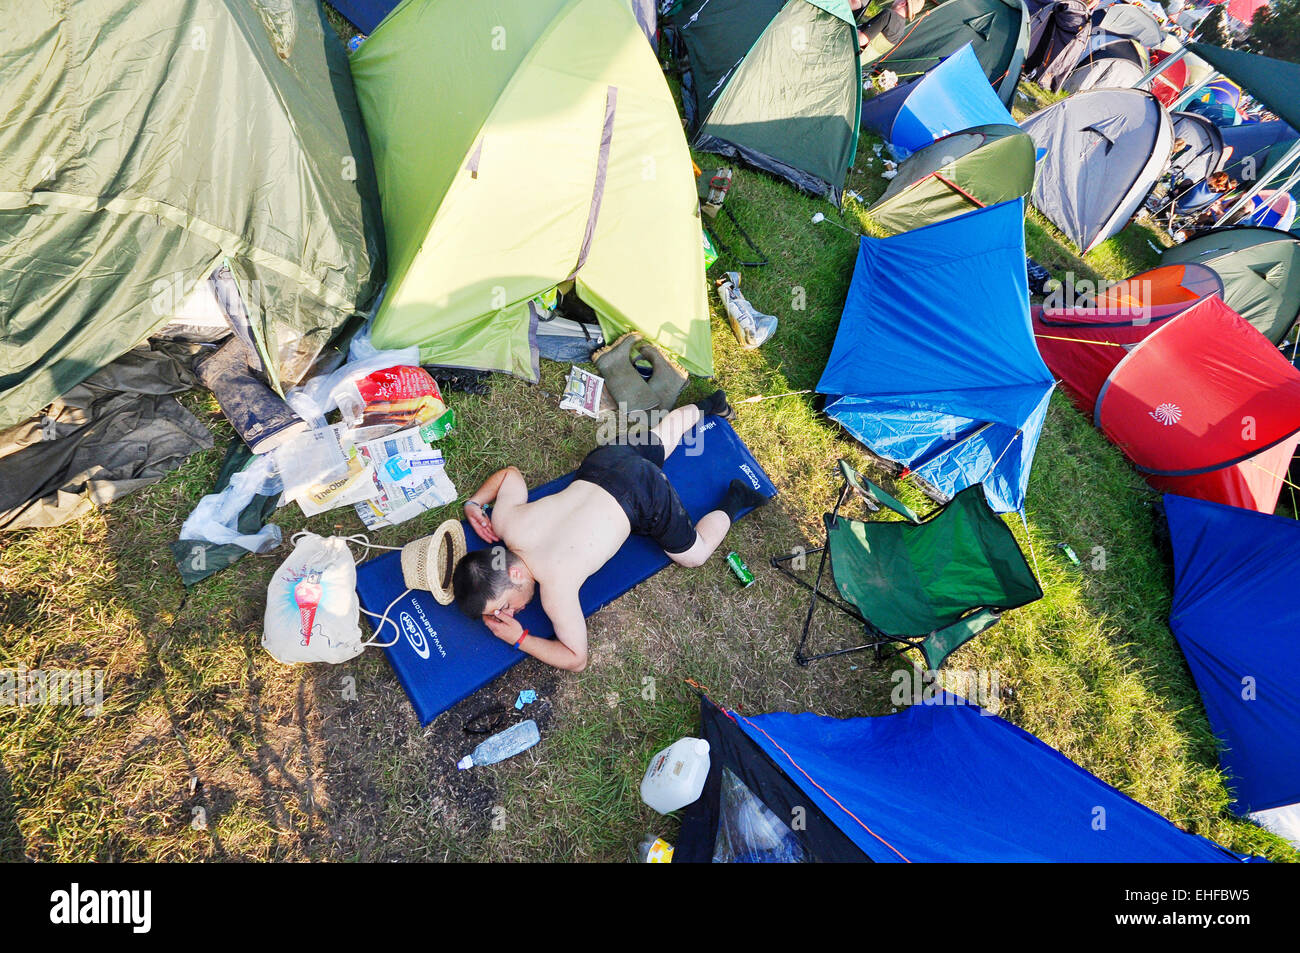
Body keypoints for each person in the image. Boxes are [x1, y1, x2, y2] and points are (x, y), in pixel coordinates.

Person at [451, 391, 769, 672]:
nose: (510, 614)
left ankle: (736, 496)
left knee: (695, 555)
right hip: (604, 463)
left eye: (502, 607)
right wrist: (475, 503)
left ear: (516, 575)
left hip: (645, 494)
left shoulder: (555, 591)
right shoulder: (507, 523)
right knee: (657, 442)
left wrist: (520, 638)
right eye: (503, 616)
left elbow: (576, 659)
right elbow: (510, 475)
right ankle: (710, 403)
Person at [854, 0, 925, 63]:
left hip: (849, 52)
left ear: (903, 3)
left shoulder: (889, 15)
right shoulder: (900, 30)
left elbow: (860, 40)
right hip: (855, 64)